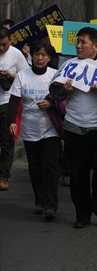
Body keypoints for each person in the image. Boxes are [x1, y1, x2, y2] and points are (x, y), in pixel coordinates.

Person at [53, 27, 97, 229]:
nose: (79, 46)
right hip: (74, 128)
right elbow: (54, 91)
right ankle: (82, 214)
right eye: (77, 42)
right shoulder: (69, 64)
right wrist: (64, 90)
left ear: (96, 46)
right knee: (77, 175)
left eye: (83, 42)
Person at [7, 42, 60, 220]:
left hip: (50, 128)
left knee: (51, 167)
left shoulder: (55, 76)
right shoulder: (23, 76)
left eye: (44, 55)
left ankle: (51, 205)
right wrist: (12, 122)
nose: (40, 58)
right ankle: (40, 200)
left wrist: (51, 103)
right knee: (36, 168)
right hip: (30, 129)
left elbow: (63, 99)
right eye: (37, 54)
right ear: (32, 56)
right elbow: (14, 101)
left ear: (49, 58)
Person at [0, 27, 30, 190]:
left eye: (4, 45)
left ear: (10, 41)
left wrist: (9, 76)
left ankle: (3, 176)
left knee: (6, 141)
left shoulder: (16, 54)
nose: (1, 48)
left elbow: (26, 75)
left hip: (6, 101)